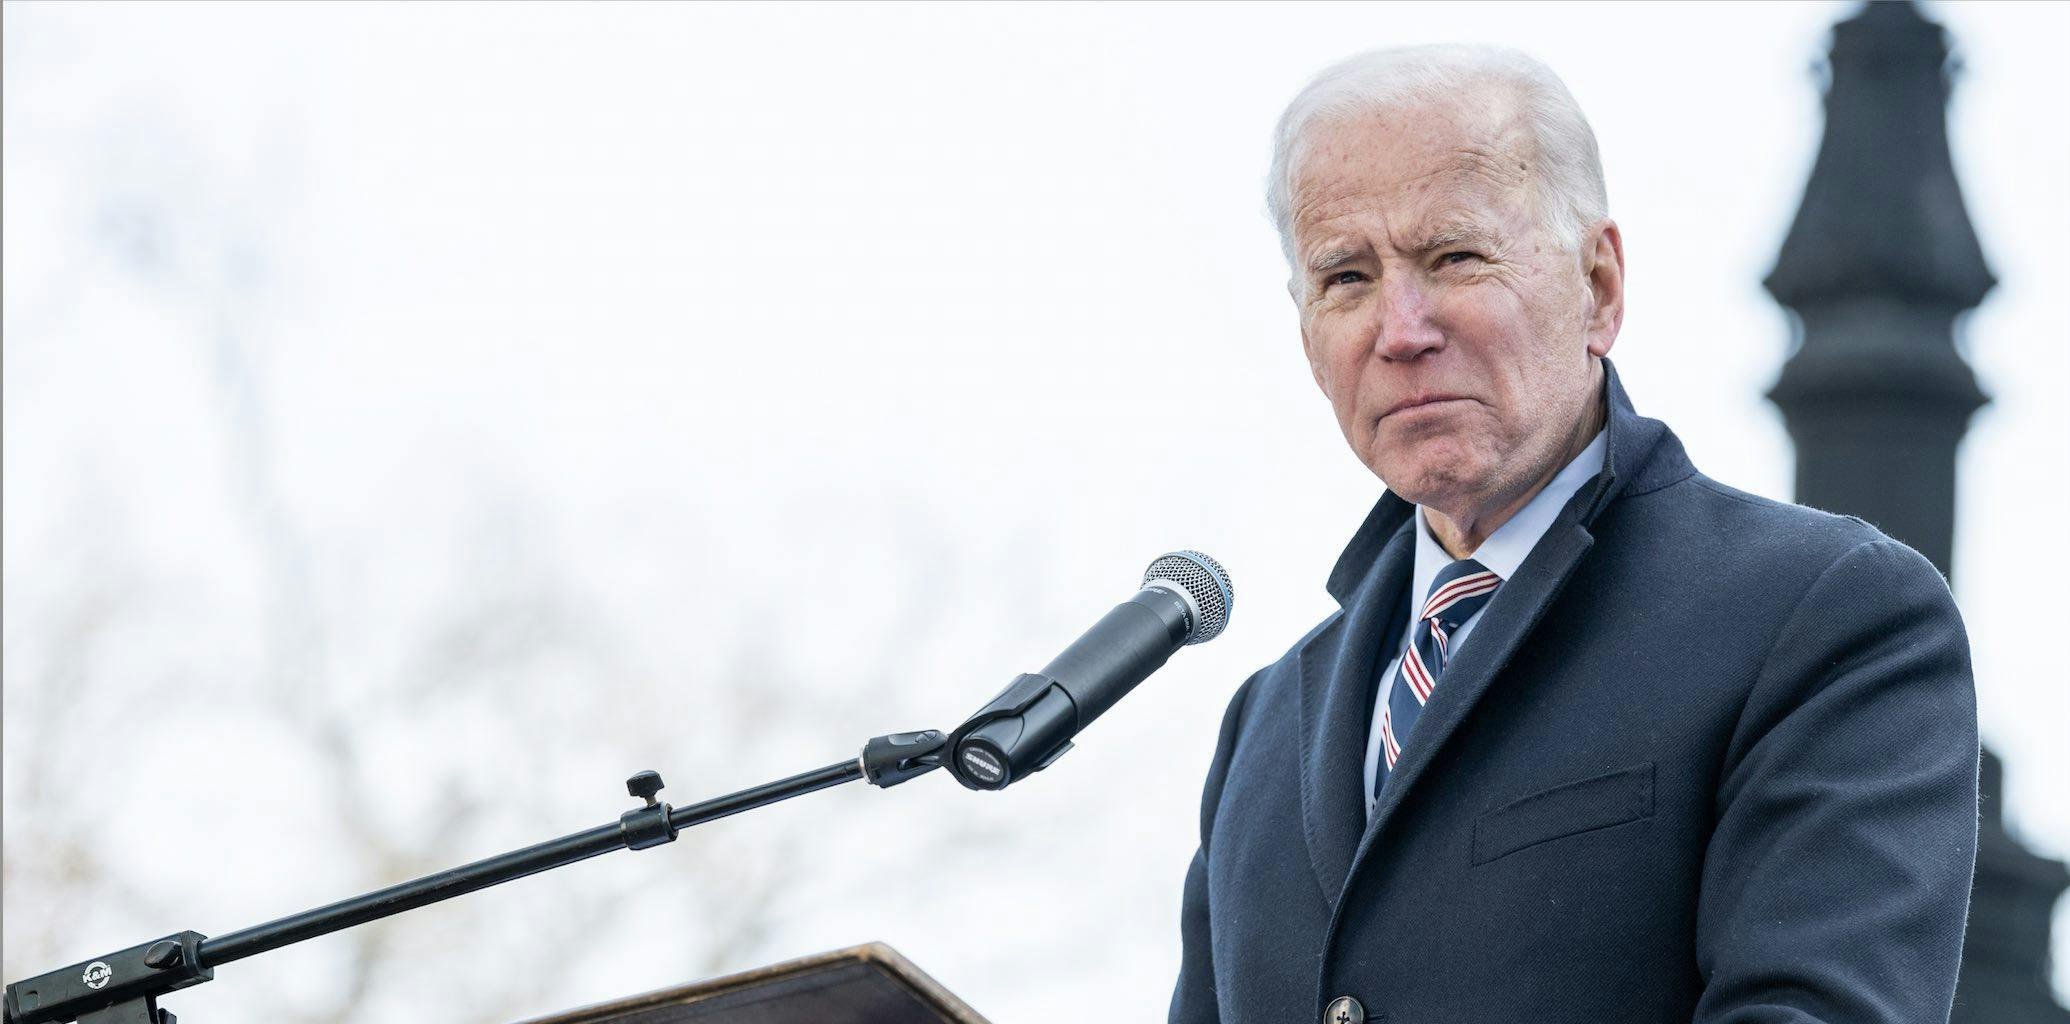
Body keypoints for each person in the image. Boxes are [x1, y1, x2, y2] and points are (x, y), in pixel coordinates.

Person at [1169, 45, 1979, 1024]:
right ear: (1305, 333)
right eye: (1346, 276)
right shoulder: (1263, 729)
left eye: (1453, 257)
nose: (1401, 328)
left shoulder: (1826, 619)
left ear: (1598, 287)